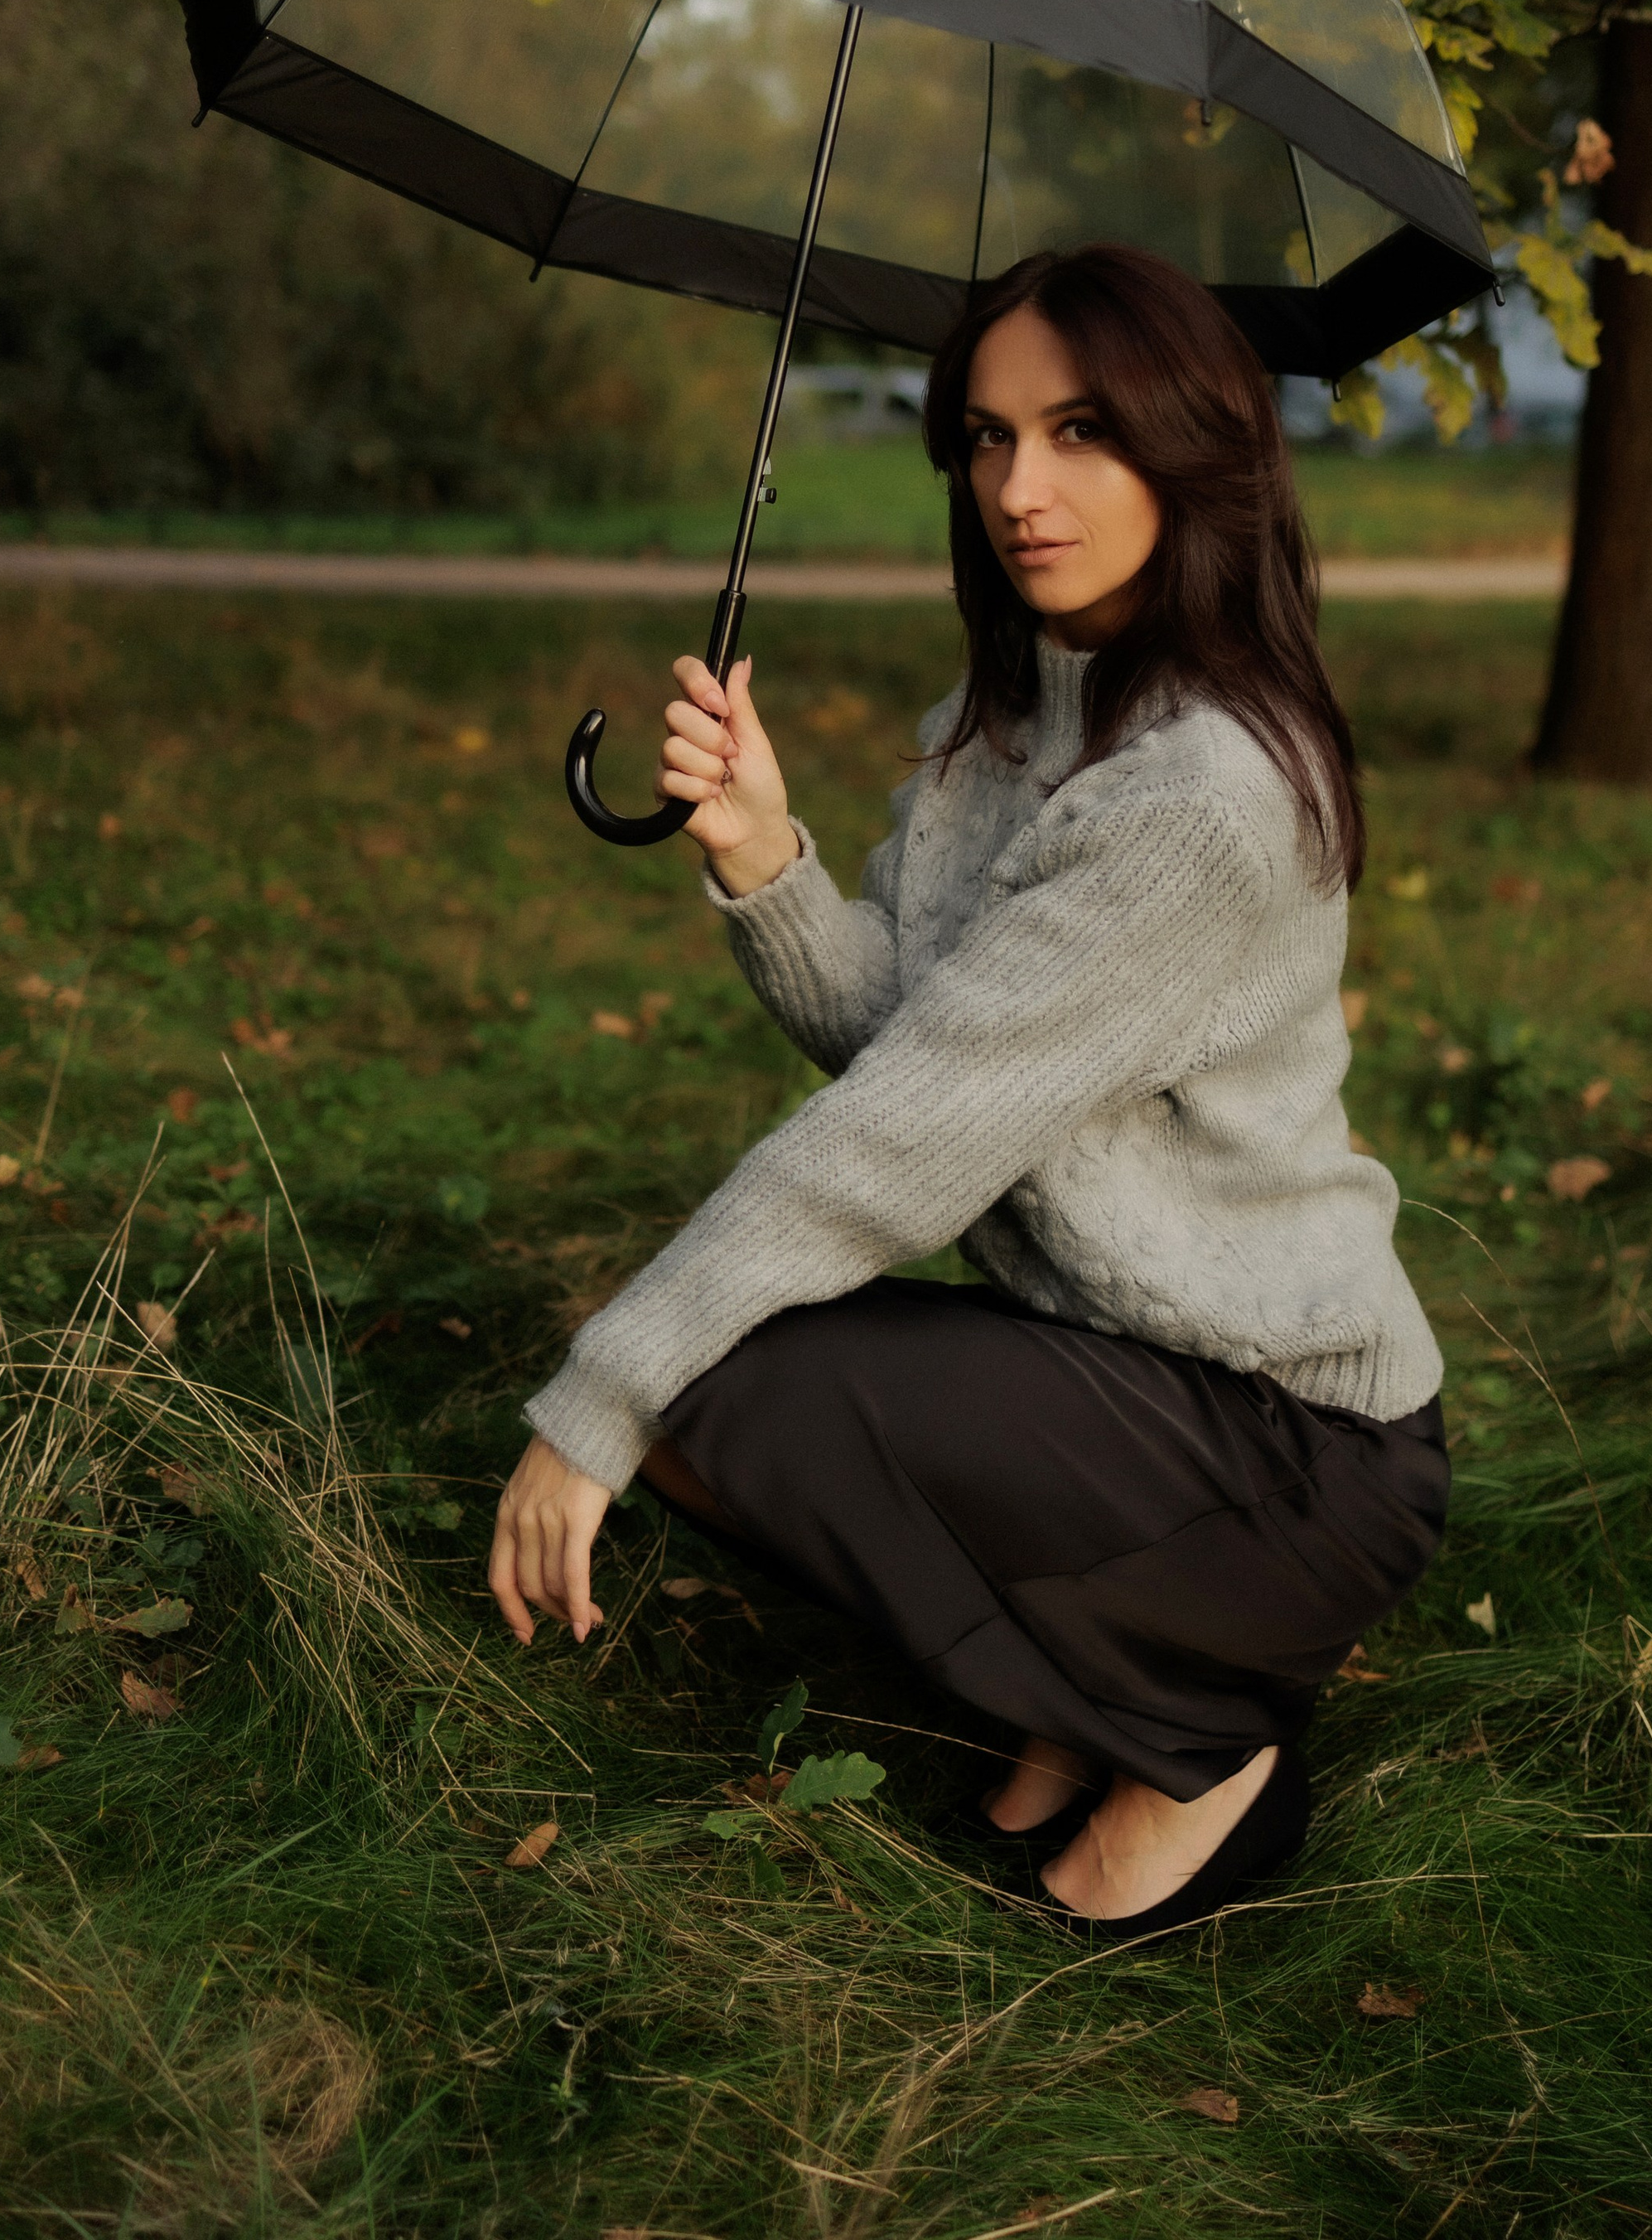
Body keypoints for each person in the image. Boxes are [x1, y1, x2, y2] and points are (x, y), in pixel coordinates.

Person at [490, 243, 1447, 1937]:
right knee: (711, 1388)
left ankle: (1198, 1749)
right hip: (1121, 1362)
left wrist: (597, 1401)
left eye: (1081, 431)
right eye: (986, 437)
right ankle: (1078, 1680)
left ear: (1191, 446)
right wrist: (765, 856)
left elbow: (896, 1143)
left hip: (1285, 1441)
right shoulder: (1023, 719)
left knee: (703, 1395)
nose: (1020, 487)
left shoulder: (1193, 799)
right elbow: (926, 1049)